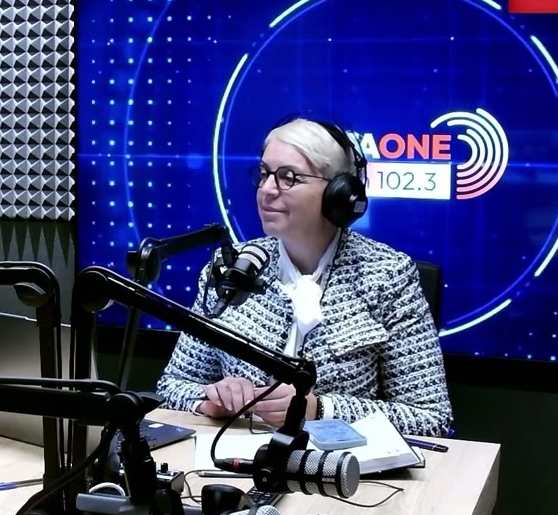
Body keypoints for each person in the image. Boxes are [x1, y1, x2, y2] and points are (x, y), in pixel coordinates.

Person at [157, 117, 452, 437]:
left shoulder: (388, 275)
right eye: (264, 174)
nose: (267, 190)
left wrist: (319, 410)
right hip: (237, 458)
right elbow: (173, 386)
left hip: (340, 463)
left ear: (338, 193)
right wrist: (209, 401)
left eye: (288, 177)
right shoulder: (233, 267)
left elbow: (431, 417)